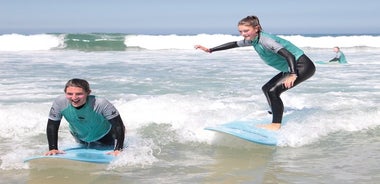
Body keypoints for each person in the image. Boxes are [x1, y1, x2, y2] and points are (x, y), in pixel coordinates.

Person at [195, 15, 316, 130]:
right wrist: (211, 50)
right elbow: (234, 44)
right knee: (267, 88)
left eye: (246, 31)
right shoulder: (253, 39)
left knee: (273, 91)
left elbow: (289, 55)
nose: (243, 34)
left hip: (302, 66)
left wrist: (293, 75)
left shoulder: (266, 41)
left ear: (256, 29)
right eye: (240, 31)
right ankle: (276, 112)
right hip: (290, 68)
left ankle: (276, 124)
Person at [45, 78, 126, 156]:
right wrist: (53, 148)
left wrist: (118, 149)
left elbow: (118, 125)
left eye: (79, 94)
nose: (74, 98)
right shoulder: (60, 102)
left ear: (88, 92)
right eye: (69, 94)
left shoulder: (100, 103)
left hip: (105, 136)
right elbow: (52, 125)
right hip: (79, 137)